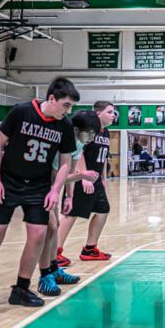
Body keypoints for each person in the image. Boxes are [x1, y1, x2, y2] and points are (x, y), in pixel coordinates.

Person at [0, 78, 80, 314]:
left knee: (38, 234)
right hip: (8, 181)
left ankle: (22, 289)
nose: (68, 111)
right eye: (66, 105)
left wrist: (55, 190)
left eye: (71, 107)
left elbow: (66, 162)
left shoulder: (64, 125)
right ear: (52, 98)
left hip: (38, 185)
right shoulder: (21, 112)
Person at [37, 109, 102, 296]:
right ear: (76, 129)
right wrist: (82, 176)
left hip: (53, 189)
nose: (91, 138)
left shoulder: (78, 145)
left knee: (55, 226)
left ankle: (54, 269)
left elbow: (70, 172)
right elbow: (56, 177)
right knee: (50, 227)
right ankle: (45, 276)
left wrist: (69, 196)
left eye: (94, 135)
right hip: (39, 186)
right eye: (89, 133)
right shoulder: (61, 142)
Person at [56, 104, 114, 268]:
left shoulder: (105, 132)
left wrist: (103, 178)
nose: (113, 115)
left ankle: (90, 249)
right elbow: (79, 152)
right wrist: (83, 176)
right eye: (109, 112)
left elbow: (104, 157)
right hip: (81, 176)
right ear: (98, 113)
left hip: (95, 178)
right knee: (71, 213)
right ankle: (55, 251)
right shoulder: (87, 130)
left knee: (103, 210)